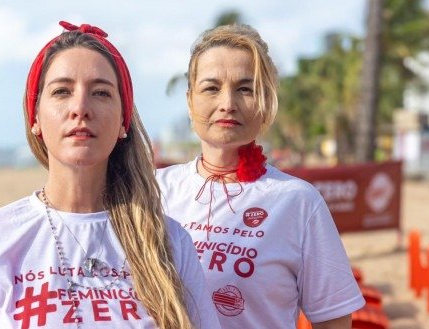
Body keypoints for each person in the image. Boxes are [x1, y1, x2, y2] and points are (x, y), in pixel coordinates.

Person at [0, 21, 220, 329]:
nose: (80, 107)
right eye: (62, 91)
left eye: (100, 93)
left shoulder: (169, 242)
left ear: (124, 121)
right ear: (36, 118)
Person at [156, 24, 365, 328]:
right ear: (190, 101)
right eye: (211, 88)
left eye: (245, 88)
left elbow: (334, 319)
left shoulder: (298, 202)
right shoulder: (153, 191)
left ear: (265, 100)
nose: (227, 103)